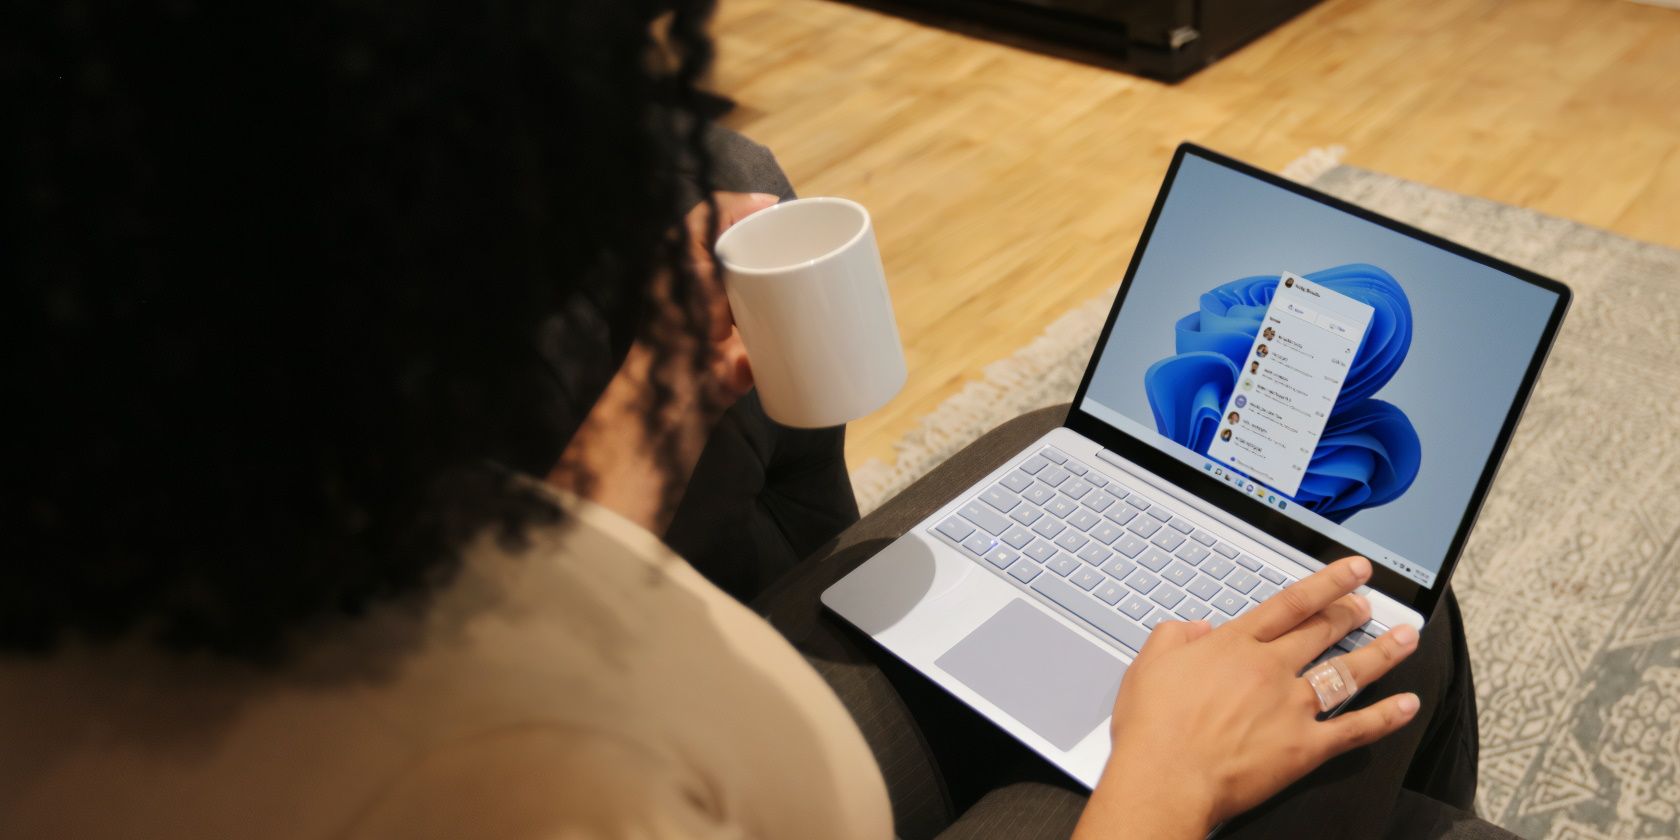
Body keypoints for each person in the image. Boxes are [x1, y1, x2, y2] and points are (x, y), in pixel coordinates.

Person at [5, 3, 1503, 839]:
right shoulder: (506, 766)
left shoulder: (141, 530)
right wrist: (1158, 788)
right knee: (1387, 633)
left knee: (1183, 531)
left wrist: (632, 427)